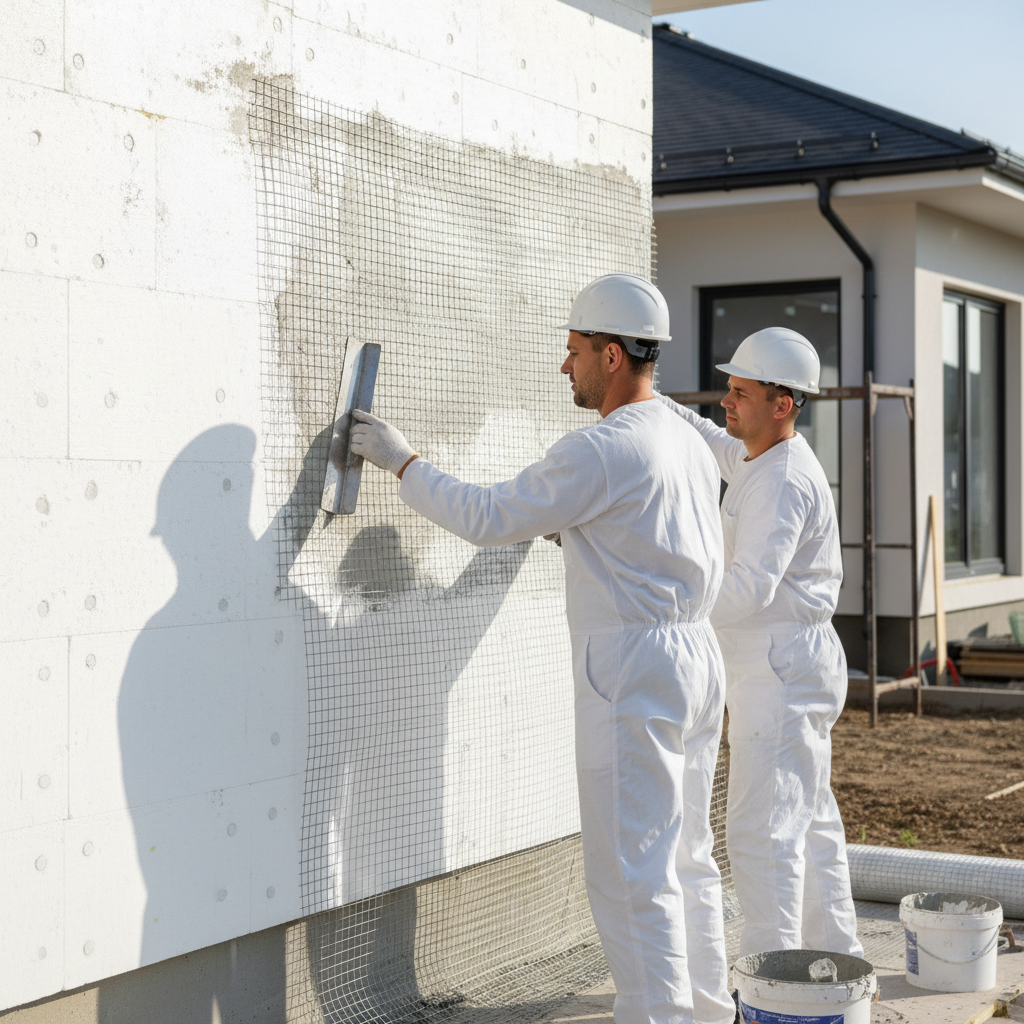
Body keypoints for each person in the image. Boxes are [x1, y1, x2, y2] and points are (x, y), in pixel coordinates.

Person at [350, 274, 736, 1024]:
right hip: (694, 659)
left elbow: (489, 515)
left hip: (635, 671)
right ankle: (711, 1012)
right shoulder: (684, 436)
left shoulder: (600, 449)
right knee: (687, 856)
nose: (566, 367)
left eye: (575, 351)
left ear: (614, 357)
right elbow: (649, 531)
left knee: (633, 874)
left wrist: (404, 463)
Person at [655, 327, 862, 960]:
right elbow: (717, 443)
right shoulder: (760, 456)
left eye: (741, 392)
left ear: (784, 404)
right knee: (810, 823)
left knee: (762, 833)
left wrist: (661, 601)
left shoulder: (784, 481)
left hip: (780, 670)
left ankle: (778, 980)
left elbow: (747, 587)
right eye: (729, 388)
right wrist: (648, 399)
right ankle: (834, 961)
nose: (727, 401)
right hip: (786, 664)